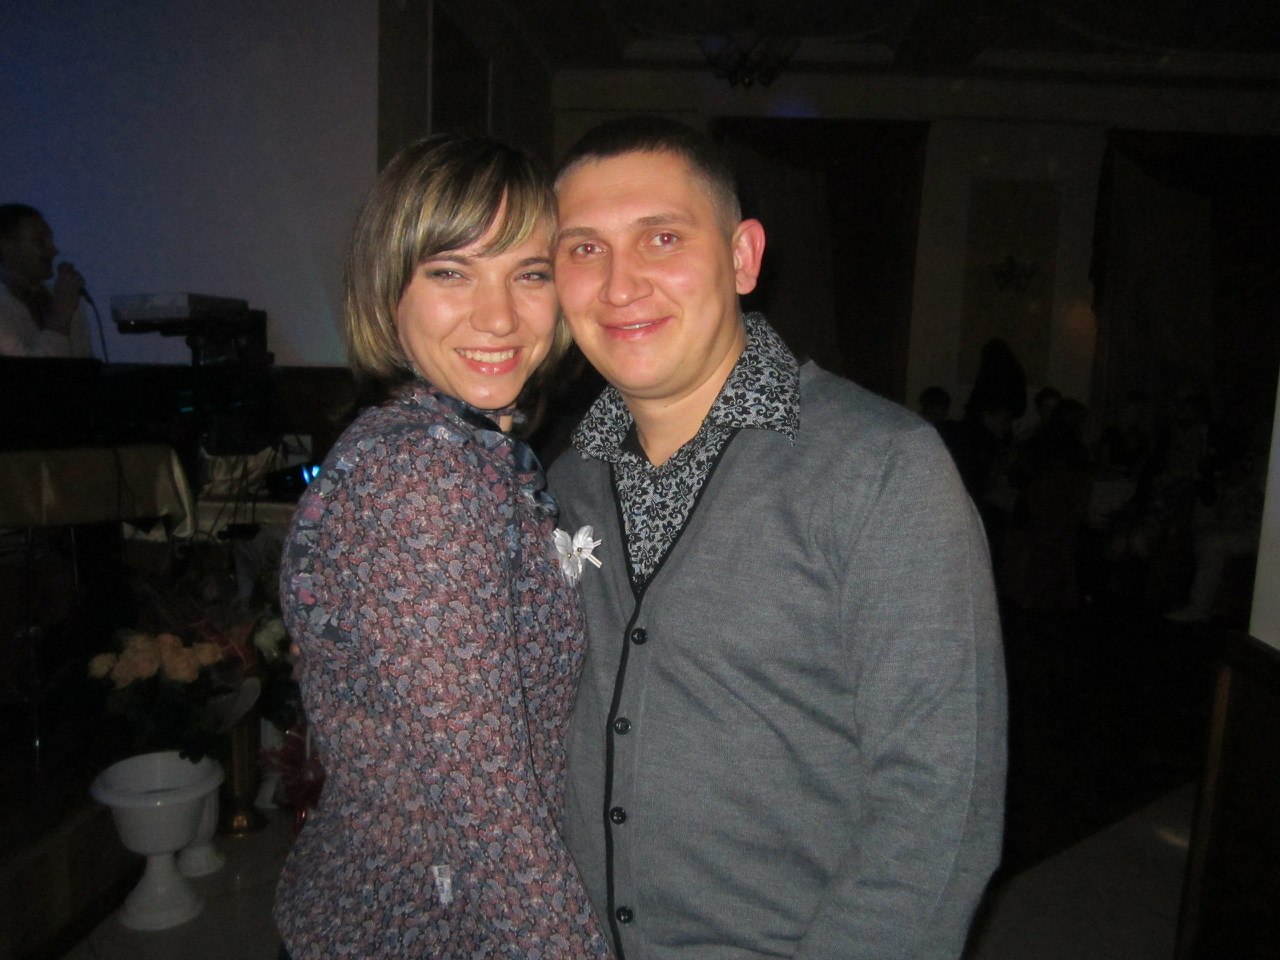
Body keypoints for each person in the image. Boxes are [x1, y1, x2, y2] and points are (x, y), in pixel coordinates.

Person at [548, 117, 1006, 959]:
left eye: (661, 237)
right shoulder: (565, 480)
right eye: (584, 249)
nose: (619, 284)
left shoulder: (882, 469)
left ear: (742, 257)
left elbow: (941, 804)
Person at [273, 134, 612, 959]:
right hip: (425, 928)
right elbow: (491, 810)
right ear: (389, 288)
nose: (498, 317)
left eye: (529, 274)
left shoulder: (459, 448)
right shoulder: (425, 476)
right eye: (451, 272)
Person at [0, 203, 93, 357]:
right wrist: (61, 314)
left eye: (50, 239)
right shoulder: (62, 300)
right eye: (39, 241)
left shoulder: (60, 296)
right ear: (6, 247)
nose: (54, 250)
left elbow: (85, 359)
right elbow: (26, 369)